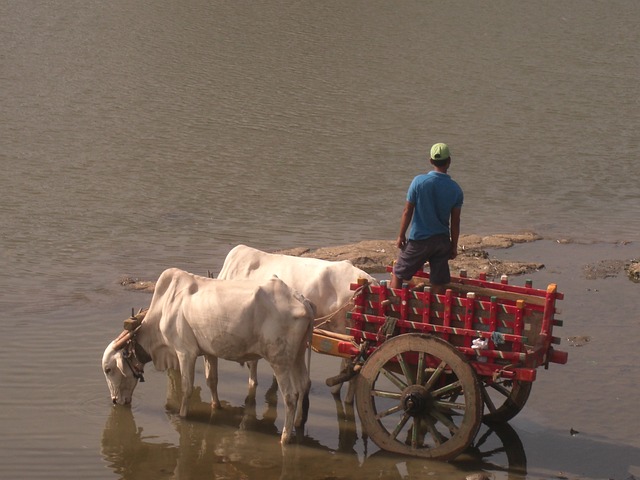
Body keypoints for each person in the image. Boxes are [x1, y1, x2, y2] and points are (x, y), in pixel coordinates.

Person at [390, 142, 463, 294]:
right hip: (442, 241)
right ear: (449, 161)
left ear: (431, 161)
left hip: (419, 240)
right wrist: (453, 246)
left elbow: (407, 211)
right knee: (438, 281)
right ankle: (435, 312)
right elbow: (455, 222)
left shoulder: (419, 182)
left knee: (398, 272)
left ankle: (393, 306)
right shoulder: (455, 189)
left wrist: (401, 235)